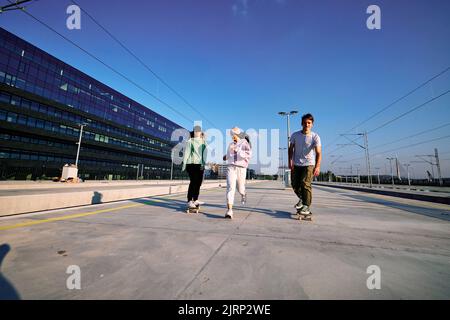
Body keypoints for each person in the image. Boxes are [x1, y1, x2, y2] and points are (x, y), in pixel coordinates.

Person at [288, 113, 322, 215]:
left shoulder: (315, 137)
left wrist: (318, 166)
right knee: (295, 184)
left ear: (312, 124)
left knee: (305, 183)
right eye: (305, 123)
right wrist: (290, 161)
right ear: (301, 123)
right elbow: (290, 149)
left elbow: (319, 153)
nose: (307, 125)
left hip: (309, 164)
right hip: (296, 164)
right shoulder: (295, 135)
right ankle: (302, 199)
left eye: (309, 123)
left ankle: (306, 206)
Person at [223, 127, 252, 219]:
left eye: (234, 135)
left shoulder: (245, 143)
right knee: (231, 188)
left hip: (241, 168)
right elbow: (228, 155)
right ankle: (229, 210)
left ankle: (243, 194)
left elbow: (249, 154)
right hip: (231, 167)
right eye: (232, 135)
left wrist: (238, 151)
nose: (233, 137)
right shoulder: (231, 144)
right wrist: (225, 157)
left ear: (239, 135)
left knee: (240, 188)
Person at [182, 125, 207, 209]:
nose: (198, 133)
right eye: (197, 131)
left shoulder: (203, 141)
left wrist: (204, 164)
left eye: (199, 131)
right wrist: (184, 164)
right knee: (193, 182)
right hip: (191, 164)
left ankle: (195, 199)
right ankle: (189, 200)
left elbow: (205, 154)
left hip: (200, 164)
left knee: (199, 182)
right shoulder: (190, 141)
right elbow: (187, 153)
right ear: (194, 132)